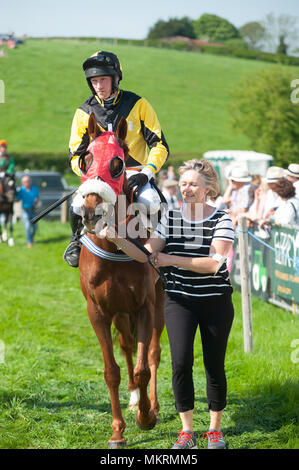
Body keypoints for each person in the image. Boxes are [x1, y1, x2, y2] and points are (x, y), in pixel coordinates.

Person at [100, 159, 235, 449]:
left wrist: (170, 259)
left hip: (214, 301)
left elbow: (214, 263)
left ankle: (214, 430)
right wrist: (118, 240)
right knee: (180, 364)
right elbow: (148, 254)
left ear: (208, 188)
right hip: (179, 301)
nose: (186, 188)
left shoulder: (222, 218)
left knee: (214, 365)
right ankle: (186, 432)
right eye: (183, 183)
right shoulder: (170, 217)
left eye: (193, 184)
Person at [64, 50, 169, 267]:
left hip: (135, 173)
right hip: (98, 177)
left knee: (152, 201)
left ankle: (166, 249)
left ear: (116, 78)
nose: (99, 86)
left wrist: (146, 173)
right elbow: (75, 154)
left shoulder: (138, 104)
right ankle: (76, 241)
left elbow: (159, 145)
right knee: (76, 205)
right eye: (94, 81)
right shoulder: (84, 112)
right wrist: (89, 176)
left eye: (103, 79)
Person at [16, 175, 40, 247]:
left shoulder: (34, 188)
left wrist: (36, 201)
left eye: (27, 181)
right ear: (22, 183)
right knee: (27, 226)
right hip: (25, 211)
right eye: (24, 182)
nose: (26, 183)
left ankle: (31, 238)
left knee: (35, 227)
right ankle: (29, 242)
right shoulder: (21, 190)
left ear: (30, 181)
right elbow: (17, 199)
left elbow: (37, 197)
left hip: (33, 210)